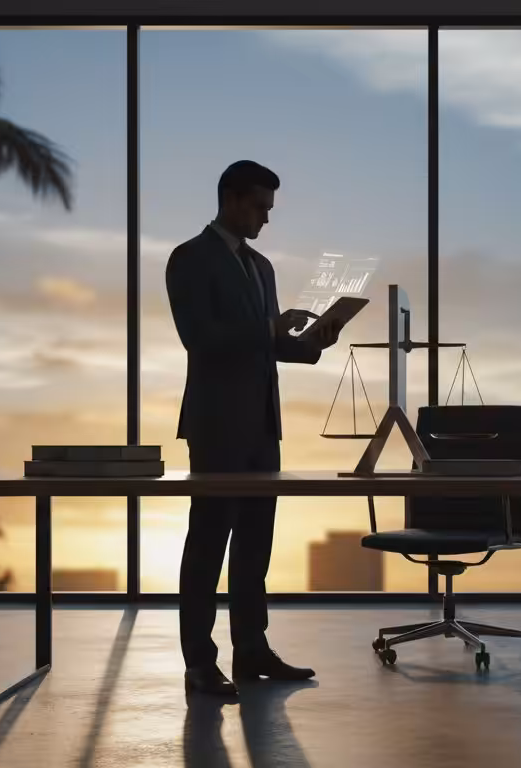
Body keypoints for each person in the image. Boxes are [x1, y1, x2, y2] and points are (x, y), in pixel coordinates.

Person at [166, 160, 344, 697]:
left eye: (269, 209)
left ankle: (252, 651)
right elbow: (200, 338)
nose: (266, 219)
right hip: (217, 424)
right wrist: (269, 326)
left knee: (255, 545)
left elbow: (267, 344)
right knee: (208, 543)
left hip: (263, 423)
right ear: (231, 199)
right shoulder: (189, 259)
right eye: (260, 207)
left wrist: (314, 342)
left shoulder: (262, 267)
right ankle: (199, 661)